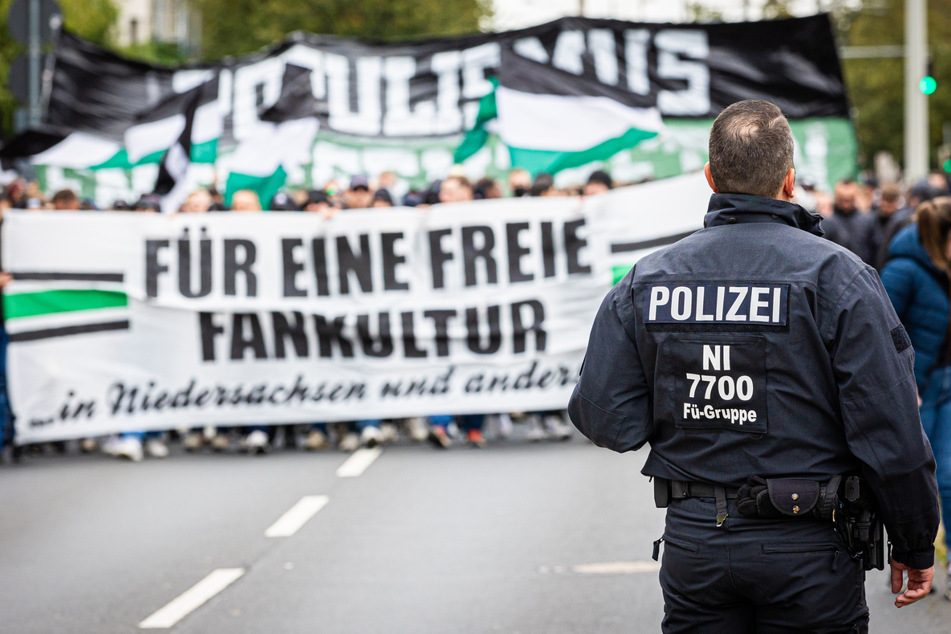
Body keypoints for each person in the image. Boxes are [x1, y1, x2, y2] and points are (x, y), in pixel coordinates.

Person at [568, 100, 939, 632]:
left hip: (696, 544)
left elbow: (606, 418)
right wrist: (914, 540)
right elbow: (890, 430)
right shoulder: (837, 277)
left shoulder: (647, 280)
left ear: (711, 178)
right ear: (790, 182)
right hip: (810, 545)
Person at [881, 197, 951, 595]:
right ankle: (912, 552)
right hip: (917, 392)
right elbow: (880, 336)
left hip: (948, 382)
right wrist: (903, 386)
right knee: (917, 479)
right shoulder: (902, 271)